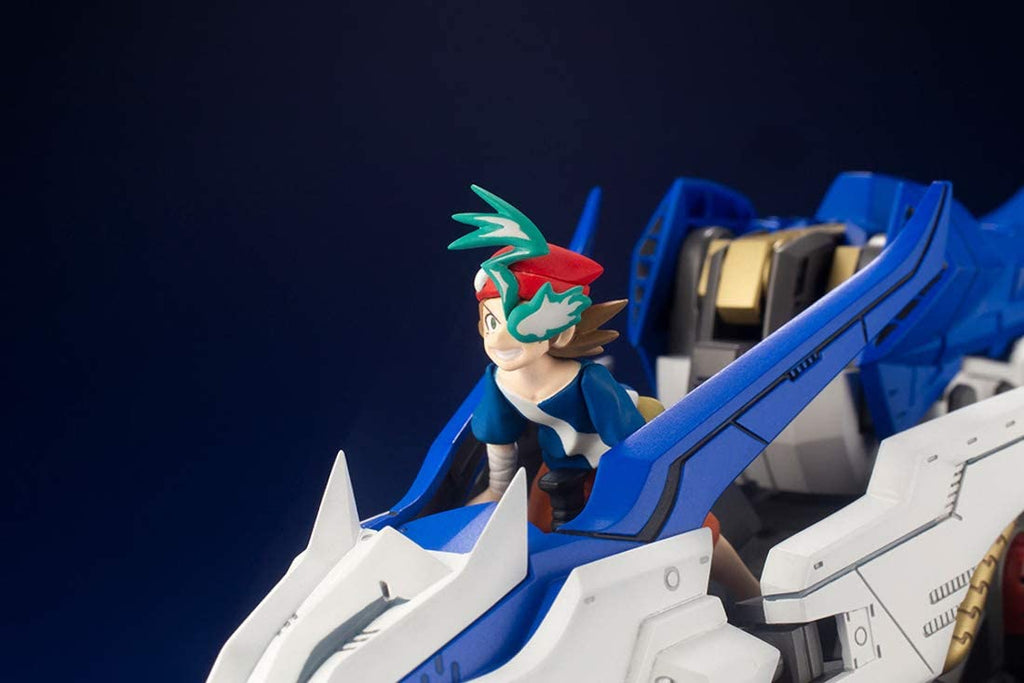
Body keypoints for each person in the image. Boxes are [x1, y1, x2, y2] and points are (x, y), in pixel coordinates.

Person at [449, 185, 761, 600]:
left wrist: (640, 499)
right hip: (560, 472)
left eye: (521, 324)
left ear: (561, 331)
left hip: (619, 464)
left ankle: (751, 593)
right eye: (492, 322)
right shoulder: (501, 380)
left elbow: (633, 443)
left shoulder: (588, 382)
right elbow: (500, 447)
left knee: (695, 530)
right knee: (538, 542)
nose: (500, 339)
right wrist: (495, 493)